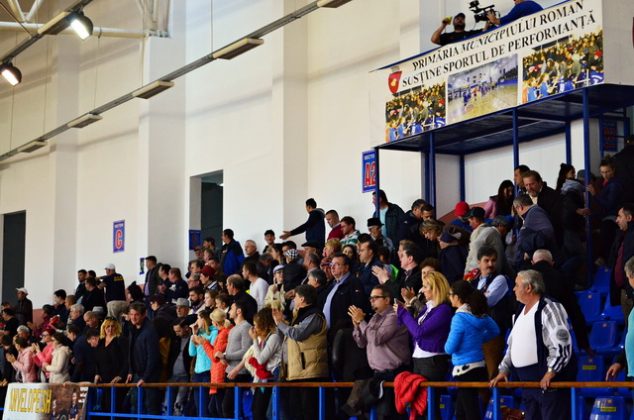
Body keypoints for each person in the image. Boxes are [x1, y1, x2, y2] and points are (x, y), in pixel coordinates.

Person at [490, 270, 575, 420]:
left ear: (528, 288)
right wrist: (504, 370)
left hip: (548, 383)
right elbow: (512, 346)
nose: (514, 289)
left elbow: (562, 342)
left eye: (516, 285)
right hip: (527, 384)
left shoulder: (550, 307)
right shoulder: (519, 313)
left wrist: (551, 371)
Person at [396, 271, 451, 418]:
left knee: (429, 407)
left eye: (426, 286)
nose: (423, 289)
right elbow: (406, 325)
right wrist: (406, 309)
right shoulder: (427, 308)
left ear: (436, 288)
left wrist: (403, 314)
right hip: (419, 361)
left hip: (432, 363)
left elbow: (419, 332)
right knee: (418, 406)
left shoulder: (444, 310)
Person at [350, 284, 409, 419]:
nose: (371, 301)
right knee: (364, 410)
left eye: (375, 298)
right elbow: (361, 343)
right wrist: (357, 326)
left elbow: (376, 338)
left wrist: (362, 321)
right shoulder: (375, 317)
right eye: (371, 298)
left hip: (393, 374)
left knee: (386, 415)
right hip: (378, 374)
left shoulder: (393, 316)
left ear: (387, 300)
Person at [445, 280, 499, 420]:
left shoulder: (458, 318)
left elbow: (450, 348)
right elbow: (495, 331)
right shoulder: (480, 313)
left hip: (464, 370)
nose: (449, 297)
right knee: (461, 412)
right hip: (480, 367)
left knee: (470, 413)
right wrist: (478, 339)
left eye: (450, 294)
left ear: (457, 297)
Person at [273, 285, 328, 420]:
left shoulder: (314, 315)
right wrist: (280, 324)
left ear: (302, 299)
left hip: (309, 371)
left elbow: (298, 334)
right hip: (295, 372)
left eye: (295, 297)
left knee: (308, 412)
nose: (294, 300)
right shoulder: (298, 316)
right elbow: (287, 340)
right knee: (295, 412)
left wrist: (281, 323)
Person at [231, 308, 282, 420]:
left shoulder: (274, 337)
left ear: (263, 324)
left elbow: (260, 360)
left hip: (271, 378)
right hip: (263, 379)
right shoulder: (264, 339)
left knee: (261, 412)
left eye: (256, 324)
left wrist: (254, 339)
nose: (253, 328)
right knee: (255, 410)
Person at [126, 302, 160, 415]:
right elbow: (131, 351)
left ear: (143, 315)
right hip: (137, 374)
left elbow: (153, 357)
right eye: (131, 314)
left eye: (136, 314)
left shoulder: (150, 331)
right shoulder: (132, 329)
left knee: (150, 408)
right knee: (135, 406)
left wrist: (145, 377)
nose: (133, 317)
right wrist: (131, 370)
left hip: (149, 377)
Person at [95, 317, 128, 413]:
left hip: (116, 381)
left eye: (112, 326)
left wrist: (120, 375)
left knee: (115, 408)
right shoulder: (101, 342)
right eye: (107, 326)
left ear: (116, 327)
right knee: (104, 408)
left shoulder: (121, 340)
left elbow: (127, 360)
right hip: (103, 381)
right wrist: (97, 373)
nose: (110, 329)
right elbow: (96, 359)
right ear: (103, 328)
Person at [189, 310, 218, 417]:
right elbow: (191, 353)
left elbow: (212, 353)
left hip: (208, 372)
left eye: (198, 318)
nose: (196, 321)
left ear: (204, 319)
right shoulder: (198, 333)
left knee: (206, 406)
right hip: (197, 373)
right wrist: (194, 334)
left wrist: (202, 342)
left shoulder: (214, 333)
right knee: (198, 406)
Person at [608, 203, 634, 320]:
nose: (617, 220)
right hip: (625, 292)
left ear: (629, 218)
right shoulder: (622, 235)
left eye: (620, 216)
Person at [464, 207, 505, 274]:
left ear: (475, 219)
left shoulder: (486, 231)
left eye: (470, 221)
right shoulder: (489, 231)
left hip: (479, 272)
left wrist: (473, 270)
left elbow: (475, 247)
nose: (470, 224)